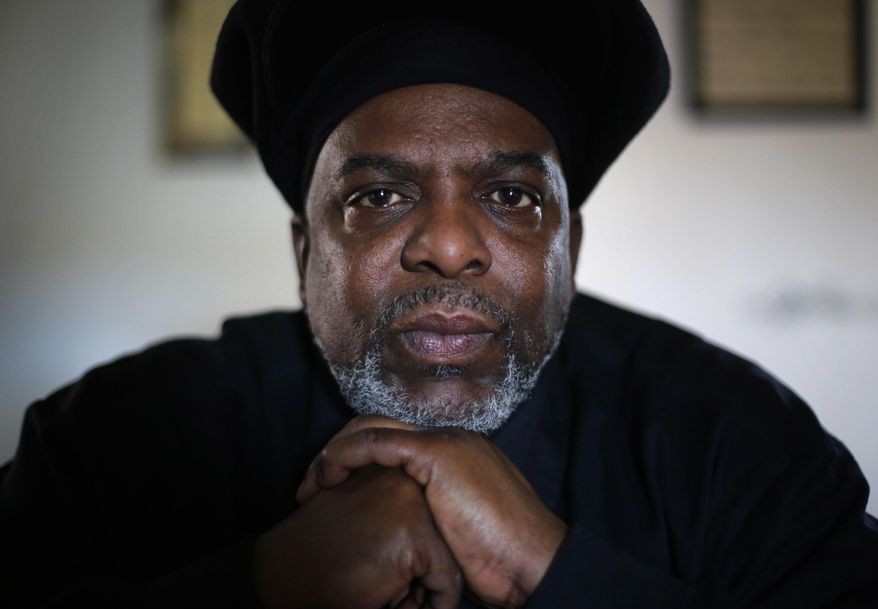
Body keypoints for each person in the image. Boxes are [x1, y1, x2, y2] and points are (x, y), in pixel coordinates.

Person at [2, 1, 876, 608]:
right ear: (306, 252)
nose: (449, 245)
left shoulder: (734, 443)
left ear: (570, 253)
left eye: (513, 198)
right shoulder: (118, 443)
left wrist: (551, 570)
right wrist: (257, 585)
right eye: (378, 197)